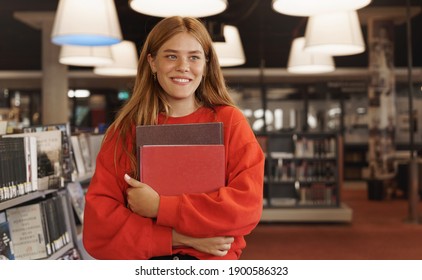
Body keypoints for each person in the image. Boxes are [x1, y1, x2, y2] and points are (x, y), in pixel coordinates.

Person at [83, 16, 264, 260]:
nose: (183, 66)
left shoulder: (230, 122)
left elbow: (245, 208)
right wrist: (180, 238)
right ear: (152, 62)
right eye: (171, 56)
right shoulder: (125, 130)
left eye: (194, 57)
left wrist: (160, 207)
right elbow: (99, 229)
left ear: (207, 64)